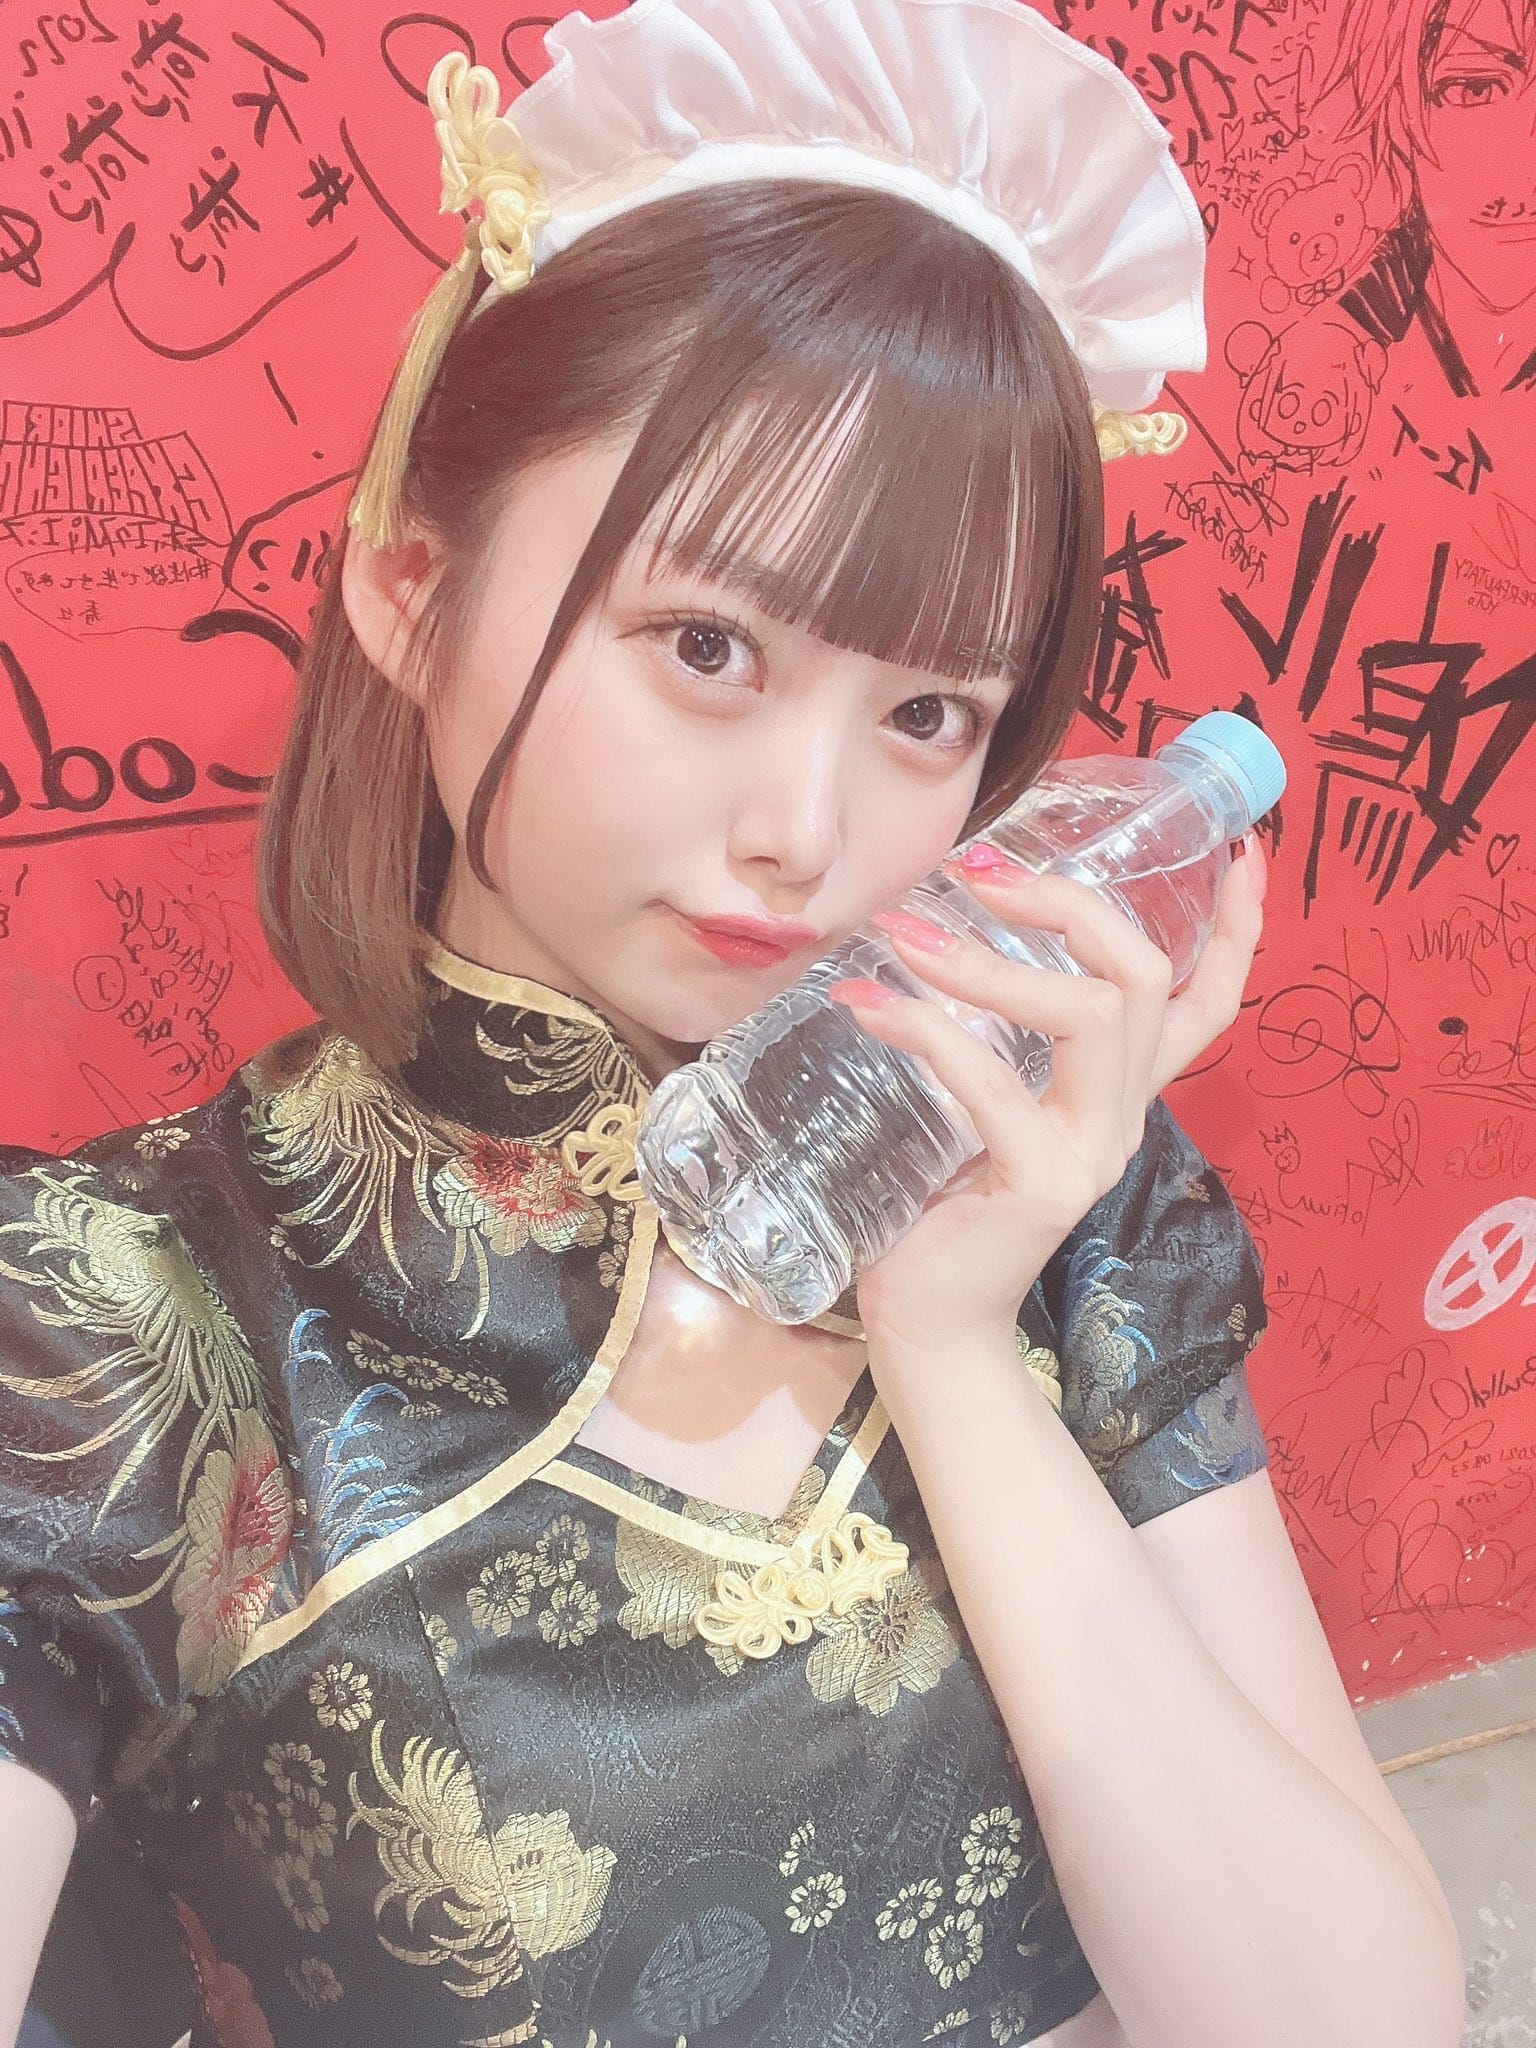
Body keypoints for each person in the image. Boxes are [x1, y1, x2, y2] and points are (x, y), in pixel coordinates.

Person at [0, 4, 1465, 2046]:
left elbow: (1352, 2022)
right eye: (707, 645)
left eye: (929, 710)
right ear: (411, 587)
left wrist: (955, 1344)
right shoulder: (126, 1319)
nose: (809, 831)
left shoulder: (1057, 1184)